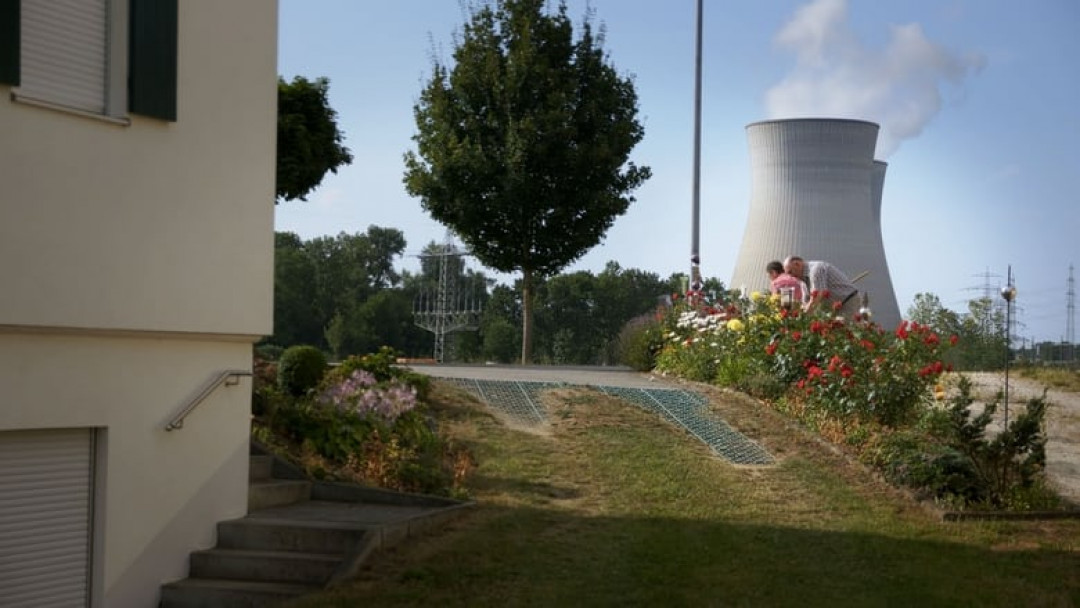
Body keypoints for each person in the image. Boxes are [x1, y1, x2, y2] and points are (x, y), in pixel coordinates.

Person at [783, 256, 860, 317]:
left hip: (847, 302)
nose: (791, 276)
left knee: (848, 329)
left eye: (790, 272)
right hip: (835, 307)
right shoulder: (803, 281)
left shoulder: (816, 269)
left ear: (797, 264)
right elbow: (806, 302)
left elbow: (818, 296)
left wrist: (804, 317)